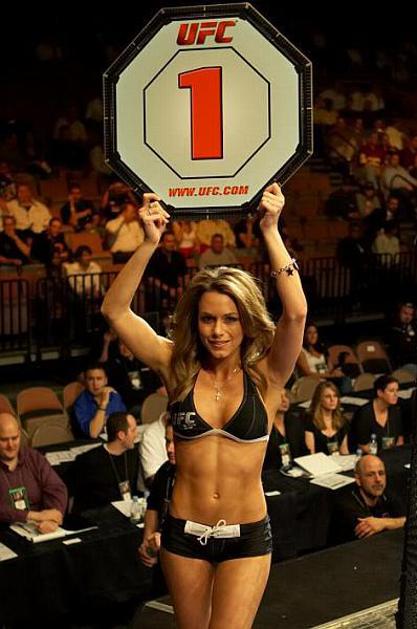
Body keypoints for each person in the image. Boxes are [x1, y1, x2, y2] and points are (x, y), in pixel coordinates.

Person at [101, 183, 307, 628]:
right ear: (195, 322)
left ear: (246, 321)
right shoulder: (176, 367)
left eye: (230, 319)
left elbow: (295, 314)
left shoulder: (267, 375)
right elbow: (115, 311)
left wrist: (271, 230)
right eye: (208, 318)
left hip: (246, 537)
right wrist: (149, 242)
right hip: (183, 536)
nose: (218, 331)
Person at [0, 412, 67, 531]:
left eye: (14, 438)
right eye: (4, 440)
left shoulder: (33, 457)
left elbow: (56, 488)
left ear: (20, 434)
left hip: (39, 527)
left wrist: (52, 518)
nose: (11, 445)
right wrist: (33, 516)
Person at [69, 412, 140, 512]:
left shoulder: (133, 454)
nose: (137, 434)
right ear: (121, 435)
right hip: (97, 515)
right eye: (133, 430)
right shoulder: (89, 460)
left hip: (127, 511)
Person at [329, 454, 406, 545]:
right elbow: (373, 535)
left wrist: (384, 523)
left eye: (381, 473)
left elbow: (411, 520)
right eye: (370, 475)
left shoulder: (387, 494)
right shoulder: (347, 505)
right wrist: (396, 523)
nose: (378, 479)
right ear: (358, 479)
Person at [138, 418, 176, 596]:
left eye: (175, 442)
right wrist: (148, 542)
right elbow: (153, 506)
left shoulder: (202, 476)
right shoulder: (165, 471)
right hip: (163, 559)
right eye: (167, 441)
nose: (169, 449)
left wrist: (167, 538)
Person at [350, 374, 404, 453]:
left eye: (397, 390)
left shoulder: (396, 411)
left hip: (391, 455)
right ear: (380, 393)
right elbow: (362, 445)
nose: (396, 394)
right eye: (391, 391)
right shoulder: (364, 413)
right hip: (369, 456)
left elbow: (400, 439)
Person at [73, 362, 126, 437]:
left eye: (99, 379)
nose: (95, 384)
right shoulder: (80, 403)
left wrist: (102, 421)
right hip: (93, 442)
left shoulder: (114, 396)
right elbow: (94, 433)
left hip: (116, 438)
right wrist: (103, 404)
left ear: (106, 381)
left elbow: (124, 423)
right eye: (91, 379)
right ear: (85, 382)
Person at [262, 389, 308, 472]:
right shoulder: (262, 426)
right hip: (271, 474)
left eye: (286, 396)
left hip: (297, 471)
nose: (285, 400)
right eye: (279, 397)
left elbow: (304, 451)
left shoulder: (295, 421)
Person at [305, 381, 350, 455]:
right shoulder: (310, 421)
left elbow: (344, 451)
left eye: (335, 396)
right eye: (328, 396)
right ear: (319, 399)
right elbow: (311, 454)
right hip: (318, 461)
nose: (332, 400)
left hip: (338, 461)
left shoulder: (342, 421)